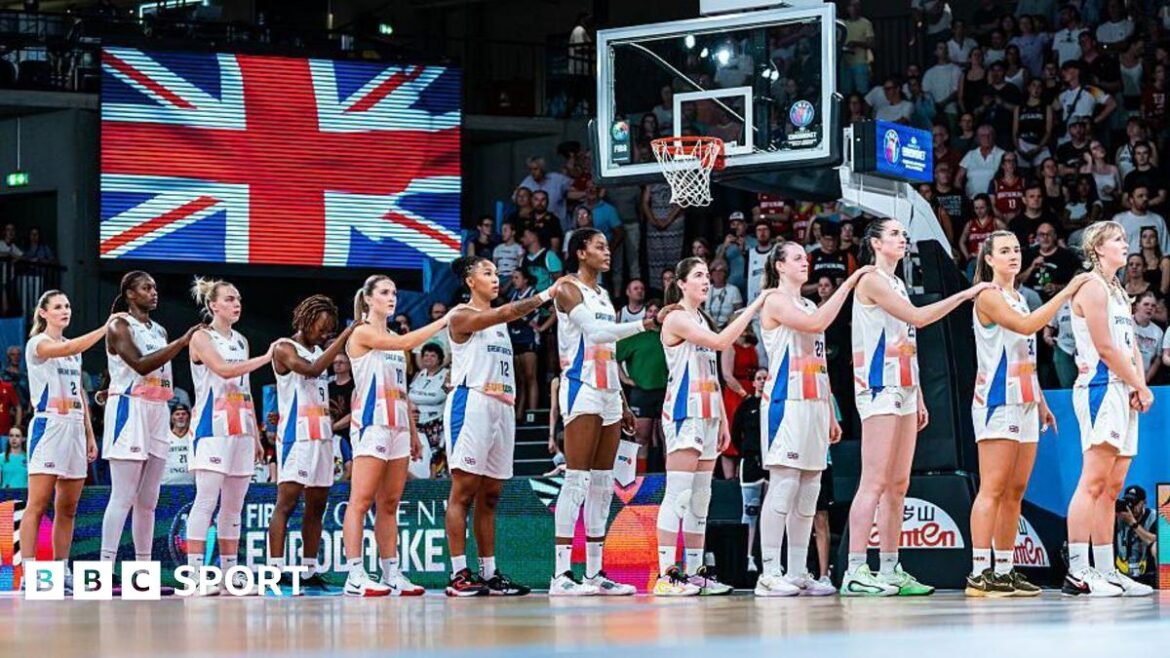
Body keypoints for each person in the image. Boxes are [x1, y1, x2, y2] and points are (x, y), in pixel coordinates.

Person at [842, 219, 992, 597]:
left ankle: (891, 568)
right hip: (878, 387)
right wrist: (966, 294)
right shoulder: (871, 279)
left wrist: (919, 392)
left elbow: (906, 341)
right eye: (893, 233)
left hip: (904, 387)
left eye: (902, 234)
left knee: (898, 485)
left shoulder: (897, 283)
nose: (902, 238)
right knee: (873, 482)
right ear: (875, 243)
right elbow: (919, 319)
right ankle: (855, 570)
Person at [964, 232, 1090, 597]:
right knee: (992, 488)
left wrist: (1041, 401)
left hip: (1024, 400)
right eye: (1004, 251)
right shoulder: (988, 296)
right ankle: (978, 572)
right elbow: (1026, 327)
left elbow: (1026, 357)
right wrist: (1065, 294)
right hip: (996, 402)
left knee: (1016, 491)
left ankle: (1004, 570)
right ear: (988, 259)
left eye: (1017, 249)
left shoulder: (1020, 297)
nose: (1013, 255)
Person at [753, 243, 870, 597]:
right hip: (785, 403)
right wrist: (848, 285)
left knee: (810, 492)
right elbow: (817, 323)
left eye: (806, 257)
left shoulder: (808, 303)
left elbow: (820, 363)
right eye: (798, 258)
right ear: (779, 265)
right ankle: (768, 573)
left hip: (815, 404)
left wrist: (829, 409)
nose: (806, 262)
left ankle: (798, 570)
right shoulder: (773, 299)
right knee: (784, 486)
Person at [655, 257, 773, 596]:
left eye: (707, 275)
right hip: (683, 412)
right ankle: (666, 574)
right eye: (698, 275)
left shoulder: (701, 317)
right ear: (681, 283)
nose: (705, 280)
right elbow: (722, 343)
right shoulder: (677, 317)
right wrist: (752, 308)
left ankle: (694, 572)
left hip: (707, 413)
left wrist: (721, 417)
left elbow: (713, 373)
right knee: (678, 496)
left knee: (701, 498)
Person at [444, 256, 559, 597]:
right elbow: (506, 312)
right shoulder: (461, 315)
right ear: (469, 281)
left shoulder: (499, 323)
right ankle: (458, 573)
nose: (496, 278)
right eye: (487, 273)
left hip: (503, 407)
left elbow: (504, 317)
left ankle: (490, 573)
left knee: (491, 496)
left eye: (497, 273)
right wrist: (545, 294)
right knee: (462, 492)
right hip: (473, 403)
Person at [550, 228, 654, 597]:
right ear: (580, 252)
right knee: (576, 480)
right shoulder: (566, 288)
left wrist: (623, 401)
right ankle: (561, 575)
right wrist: (644, 324)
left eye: (607, 246)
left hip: (608, 392)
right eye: (599, 246)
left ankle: (594, 572)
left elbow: (608, 350)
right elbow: (595, 335)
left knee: (601, 484)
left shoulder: (604, 295)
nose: (607, 252)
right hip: (581, 388)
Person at [1063, 221, 1154, 597]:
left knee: (1112, 488)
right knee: (1092, 483)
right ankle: (1078, 571)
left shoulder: (1118, 290)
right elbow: (1104, 348)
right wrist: (1135, 383)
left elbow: (1129, 344)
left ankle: (1106, 570)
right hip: (1100, 388)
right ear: (1097, 248)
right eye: (1117, 239)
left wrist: (1140, 385)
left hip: (1123, 389)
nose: (1124, 244)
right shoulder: (1091, 287)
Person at [341, 275, 445, 596]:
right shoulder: (362, 332)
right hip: (371, 424)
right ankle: (355, 574)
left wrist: (412, 431)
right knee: (360, 501)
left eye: (395, 292)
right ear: (369, 298)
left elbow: (401, 391)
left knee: (390, 503)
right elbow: (405, 343)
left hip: (398, 425)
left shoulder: (393, 337)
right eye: (385, 292)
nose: (392, 297)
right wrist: (444, 323)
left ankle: (391, 573)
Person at [100, 271, 197, 579]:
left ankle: (143, 570)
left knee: (148, 499)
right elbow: (140, 364)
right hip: (130, 408)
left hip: (157, 408)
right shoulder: (118, 324)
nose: (153, 292)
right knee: (123, 495)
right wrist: (182, 343)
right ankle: (104, 569)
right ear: (130, 293)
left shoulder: (158, 329)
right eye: (146, 288)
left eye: (155, 287)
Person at [184, 278, 272, 596]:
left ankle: (228, 574)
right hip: (211, 427)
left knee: (234, 505)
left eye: (239, 300)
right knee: (206, 500)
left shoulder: (242, 341)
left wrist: (257, 435)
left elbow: (245, 389)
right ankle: (194, 574)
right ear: (213, 305)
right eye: (230, 299)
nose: (237, 304)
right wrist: (268, 357)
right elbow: (222, 370)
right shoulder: (200, 337)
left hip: (241, 429)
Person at [268, 295, 357, 595]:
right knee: (287, 503)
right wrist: (344, 338)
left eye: (330, 331)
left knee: (317, 505)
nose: (324, 335)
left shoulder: (320, 349)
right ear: (306, 321)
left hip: (322, 436)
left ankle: (309, 569)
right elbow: (311, 369)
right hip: (296, 436)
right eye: (321, 328)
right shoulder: (283, 347)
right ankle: (276, 570)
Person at [19, 290, 106, 589]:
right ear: (43, 313)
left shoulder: (73, 350)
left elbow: (79, 391)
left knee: (68, 507)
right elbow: (68, 346)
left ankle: (61, 570)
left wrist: (89, 433)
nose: (64, 310)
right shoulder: (37, 343)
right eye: (58, 306)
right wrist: (106, 328)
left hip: (74, 429)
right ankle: (30, 574)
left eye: (67, 305)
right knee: (38, 503)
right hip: (49, 425)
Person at [616, 298, 667, 475]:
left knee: (667, 438)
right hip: (641, 392)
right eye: (650, 310)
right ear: (645, 313)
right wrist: (625, 378)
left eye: (656, 311)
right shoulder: (635, 336)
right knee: (641, 437)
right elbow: (613, 357)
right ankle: (640, 478)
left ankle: (668, 478)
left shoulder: (668, 335)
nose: (653, 314)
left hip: (665, 391)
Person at [731, 367, 766, 574]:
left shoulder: (775, 405)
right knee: (750, 511)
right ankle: (748, 557)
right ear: (753, 383)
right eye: (759, 379)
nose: (762, 382)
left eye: (765, 378)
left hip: (772, 463)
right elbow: (736, 433)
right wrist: (745, 452)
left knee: (774, 510)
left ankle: (771, 559)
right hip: (750, 463)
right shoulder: (747, 406)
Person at [506, 270, 540, 419]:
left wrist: (542, 327)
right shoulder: (514, 295)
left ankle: (532, 414)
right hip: (515, 337)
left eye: (516, 277)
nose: (513, 281)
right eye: (513, 278)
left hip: (529, 338)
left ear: (525, 280)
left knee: (530, 377)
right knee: (519, 379)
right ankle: (519, 413)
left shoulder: (534, 294)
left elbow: (550, 310)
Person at [408, 343, 447, 462]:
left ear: (439, 359)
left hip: (436, 425)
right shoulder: (419, 374)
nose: (428, 358)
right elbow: (408, 396)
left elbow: (444, 396)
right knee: (417, 458)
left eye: (433, 356)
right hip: (416, 424)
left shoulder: (447, 375)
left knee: (435, 461)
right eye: (426, 355)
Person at [1114, 485, 1157, 585]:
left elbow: (1155, 541)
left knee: (1158, 546)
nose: (1131, 506)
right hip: (1122, 570)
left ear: (1144, 502)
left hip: (1147, 571)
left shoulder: (1154, 517)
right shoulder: (1118, 517)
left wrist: (1133, 523)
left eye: (1135, 503)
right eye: (1128, 502)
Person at [1131, 292, 1163, 384]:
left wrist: (1146, 378)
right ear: (1137, 306)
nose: (1150, 308)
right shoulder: (1125, 323)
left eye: (1153, 306)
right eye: (1146, 304)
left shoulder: (1158, 332)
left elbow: (1157, 359)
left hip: (1144, 379)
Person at [161, 403, 195, 486]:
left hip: (190, 484)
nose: (180, 417)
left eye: (184, 414)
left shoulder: (194, 436)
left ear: (189, 417)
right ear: (172, 418)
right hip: (167, 484)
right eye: (177, 414)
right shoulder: (164, 436)